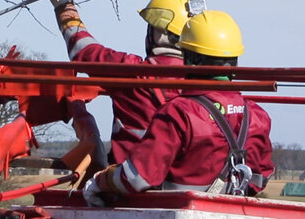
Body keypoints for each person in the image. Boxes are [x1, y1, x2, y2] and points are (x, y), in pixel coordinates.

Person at [82, 10, 274, 205]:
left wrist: (100, 181)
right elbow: (260, 178)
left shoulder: (179, 113)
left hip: (173, 210)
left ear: (189, 58)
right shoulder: (257, 115)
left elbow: (136, 178)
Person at [50, 0, 197, 163]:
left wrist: (64, 6)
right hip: (190, 182)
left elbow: (84, 51)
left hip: (130, 183)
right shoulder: (206, 83)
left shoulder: (134, 73)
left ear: (157, 34)